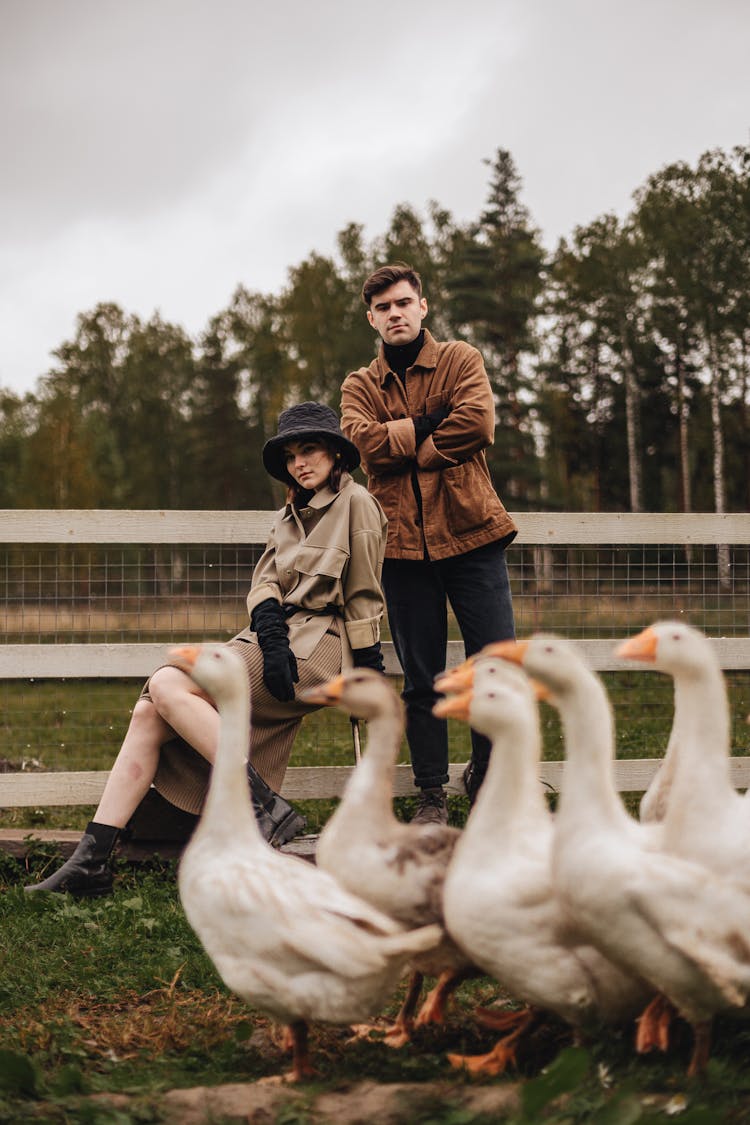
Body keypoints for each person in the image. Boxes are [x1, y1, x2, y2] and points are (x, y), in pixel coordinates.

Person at [25, 402, 388, 896]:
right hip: (270, 642)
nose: (300, 463)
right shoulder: (287, 516)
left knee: (165, 682)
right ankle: (93, 860)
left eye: (310, 450)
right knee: (150, 713)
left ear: (335, 454)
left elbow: (366, 592)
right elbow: (264, 584)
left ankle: (254, 806)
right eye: (291, 455)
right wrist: (271, 631)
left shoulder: (357, 503)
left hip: (319, 651)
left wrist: (368, 667)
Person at [341, 263, 517, 826]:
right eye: (384, 307)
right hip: (401, 551)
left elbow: (478, 424)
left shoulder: (460, 359)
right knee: (423, 679)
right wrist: (428, 424)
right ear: (372, 319)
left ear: (422, 308)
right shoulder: (359, 385)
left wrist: (415, 447)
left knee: (493, 668)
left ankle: (490, 785)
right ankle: (432, 796)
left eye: (403, 303)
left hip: (472, 535)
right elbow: (362, 446)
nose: (395, 313)